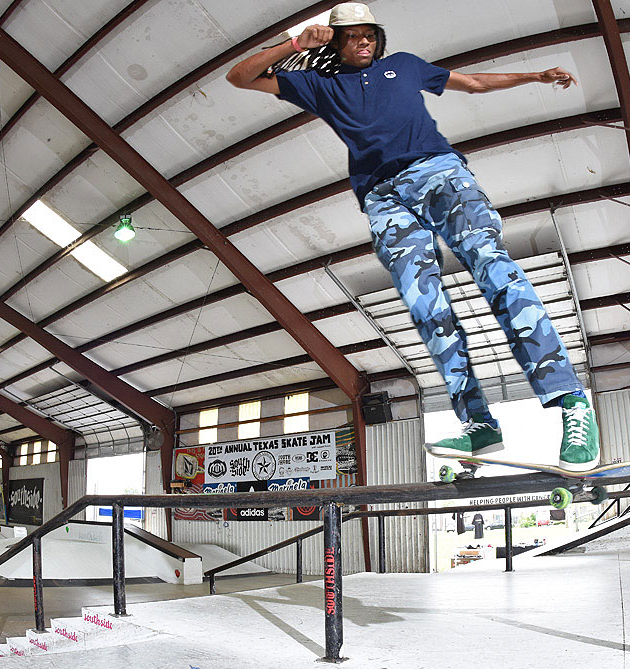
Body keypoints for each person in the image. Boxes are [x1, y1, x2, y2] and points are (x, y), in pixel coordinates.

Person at [226, 2, 599, 469]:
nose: (364, 42)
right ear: (336, 42)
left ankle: (570, 402)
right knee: (425, 306)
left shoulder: (403, 66)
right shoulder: (319, 86)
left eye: (369, 34)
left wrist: (533, 77)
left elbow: (476, 83)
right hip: (382, 197)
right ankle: (478, 424)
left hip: (439, 173)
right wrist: (297, 43)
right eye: (352, 36)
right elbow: (239, 77)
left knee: (494, 270)